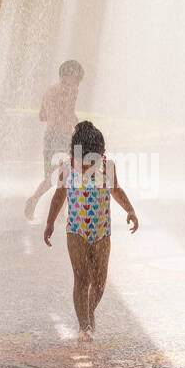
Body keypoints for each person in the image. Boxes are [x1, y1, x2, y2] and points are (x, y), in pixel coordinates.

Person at [43, 120, 139, 341]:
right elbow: (59, 196)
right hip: (76, 230)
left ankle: (90, 309)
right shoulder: (67, 168)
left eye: (93, 159)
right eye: (85, 160)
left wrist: (130, 210)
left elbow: (115, 189)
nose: (89, 165)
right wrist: (50, 223)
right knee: (82, 278)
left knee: (99, 280)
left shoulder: (108, 166)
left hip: (102, 231)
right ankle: (84, 327)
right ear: (75, 154)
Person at [25, 60, 85, 220]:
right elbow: (69, 114)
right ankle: (64, 213)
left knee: (51, 178)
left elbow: (41, 116)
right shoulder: (70, 90)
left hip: (50, 137)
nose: (78, 82)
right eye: (77, 77)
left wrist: (56, 114)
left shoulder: (49, 91)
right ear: (69, 76)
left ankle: (34, 200)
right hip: (64, 137)